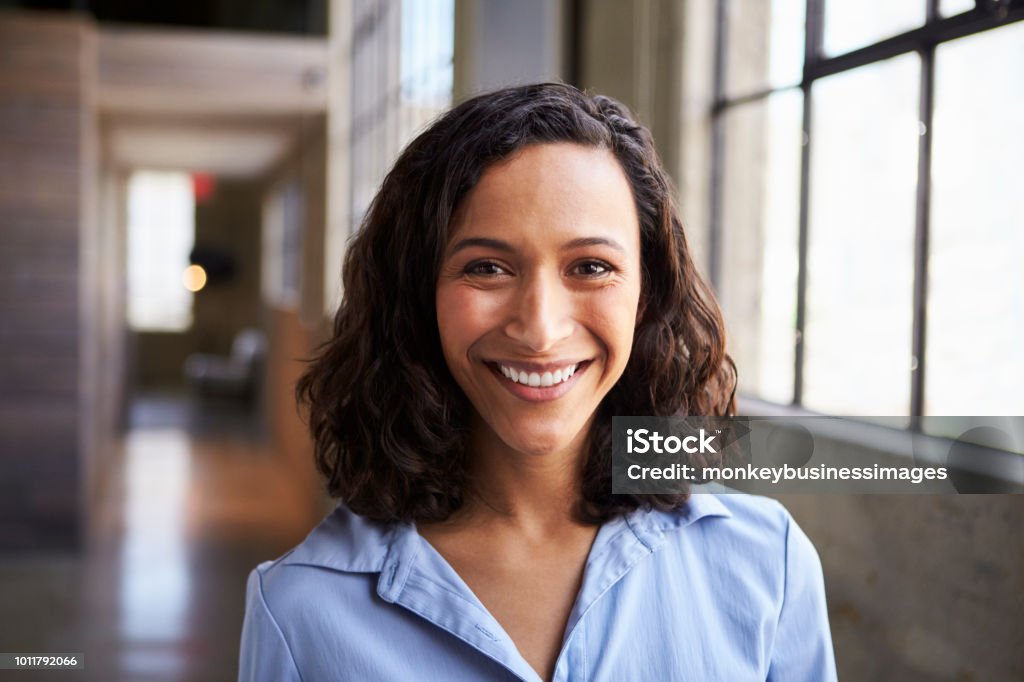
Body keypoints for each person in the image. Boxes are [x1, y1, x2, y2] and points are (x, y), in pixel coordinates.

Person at [238, 83, 837, 682]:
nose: (541, 330)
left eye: (591, 267)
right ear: (420, 295)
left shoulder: (768, 566)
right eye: (487, 268)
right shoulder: (299, 610)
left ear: (645, 292)